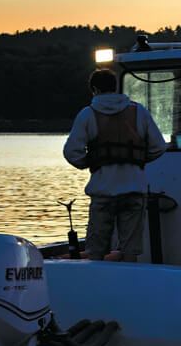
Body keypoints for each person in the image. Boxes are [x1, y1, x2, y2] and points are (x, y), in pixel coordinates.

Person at [62, 69, 166, 262]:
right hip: (134, 189)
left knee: (96, 250)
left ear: (94, 89)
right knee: (130, 249)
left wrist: (90, 162)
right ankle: (130, 286)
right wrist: (138, 160)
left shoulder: (87, 114)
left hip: (103, 191)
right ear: (116, 87)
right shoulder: (139, 111)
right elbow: (159, 146)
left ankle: (98, 287)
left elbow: (71, 152)